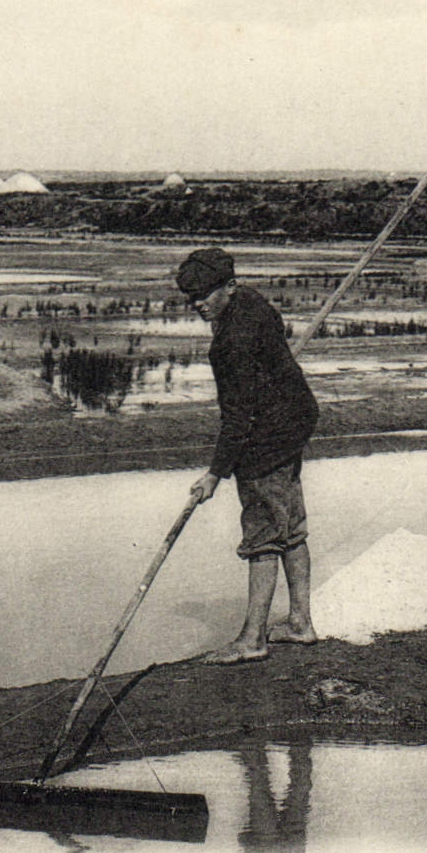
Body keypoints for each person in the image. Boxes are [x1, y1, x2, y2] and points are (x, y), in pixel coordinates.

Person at [176, 247, 320, 665]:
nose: (198, 304)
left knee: (263, 536)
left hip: (268, 437)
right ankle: (300, 623)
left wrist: (215, 474)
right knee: (290, 526)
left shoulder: (231, 344)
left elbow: (238, 416)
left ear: (230, 286)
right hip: (295, 419)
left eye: (205, 295)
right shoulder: (252, 302)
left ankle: (253, 639)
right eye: (192, 298)